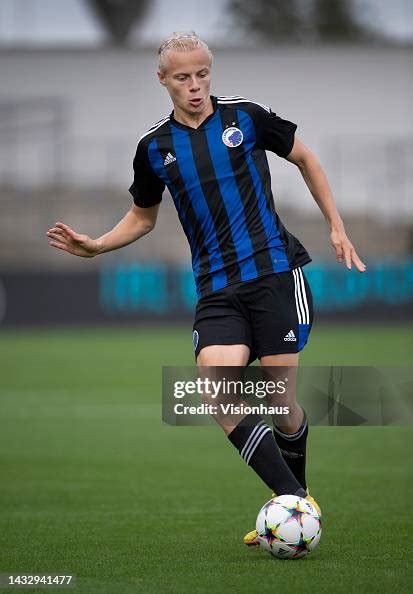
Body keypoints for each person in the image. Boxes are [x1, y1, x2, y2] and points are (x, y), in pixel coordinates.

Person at [47, 31, 366, 546]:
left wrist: (335, 224)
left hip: (274, 275)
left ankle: (293, 496)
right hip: (216, 289)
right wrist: (99, 245)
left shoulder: (245, 116)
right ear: (163, 80)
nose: (194, 86)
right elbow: (142, 217)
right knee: (218, 390)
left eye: (202, 75)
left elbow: (305, 158)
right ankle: (295, 504)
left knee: (278, 402)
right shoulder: (153, 148)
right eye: (182, 78)